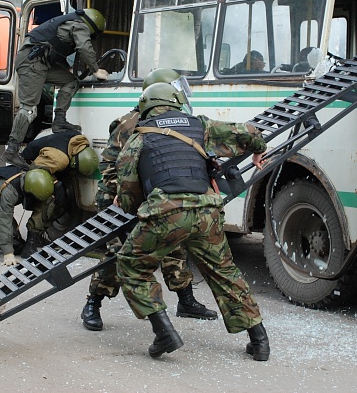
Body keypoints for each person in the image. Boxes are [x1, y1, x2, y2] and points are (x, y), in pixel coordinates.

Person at [114, 82, 271, 361]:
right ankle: (259, 340)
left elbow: (128, 201)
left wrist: (126, 199)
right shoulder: (200, 126)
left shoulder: (136, 140)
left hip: (165, 214)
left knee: (131, 264)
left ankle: (164, 333)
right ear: (176, 101)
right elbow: (248, 132)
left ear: (145, 107)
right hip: (206, 211)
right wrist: (259, 149)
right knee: (224, 272)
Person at [80, 68, 217, 332]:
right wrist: (122, 196)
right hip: (120, 199)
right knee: (116, 253)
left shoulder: (177, 120)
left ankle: (186, 301)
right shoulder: (128, 123)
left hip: (156, 197)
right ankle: (93, 304)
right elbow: (111, 166)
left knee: (174, 245)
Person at [1, 9, 110, 169]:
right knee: (29, 108)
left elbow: (55, 49)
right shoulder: (79, 25)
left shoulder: (69, 23)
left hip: (41, 62)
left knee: (70, 81)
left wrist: (67, 68)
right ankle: (12, 149)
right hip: (32, 62)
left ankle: (59, 120)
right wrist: (95, 69)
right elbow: (84, 47)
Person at [19, 130, 99, 256]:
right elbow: (37, 174)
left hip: (52, 162)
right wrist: (56, 184)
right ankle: (31, 241)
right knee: (48, 199)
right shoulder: (58, 159)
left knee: (63, 198)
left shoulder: (81, 144)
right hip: (31, 164)